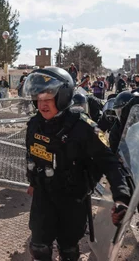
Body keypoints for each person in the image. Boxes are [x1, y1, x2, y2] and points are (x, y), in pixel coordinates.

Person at [22, 67, 131, 261]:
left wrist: (121, 198)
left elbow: (109, 163)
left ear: (62, 97)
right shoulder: (34, 124)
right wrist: (32, 181)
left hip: (72, 200)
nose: (42, 105)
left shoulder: (83, 127)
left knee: (69, 250)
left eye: (48, 99)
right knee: (38, 247)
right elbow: (32, 155)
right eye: (39, 99)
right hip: (43, 196)